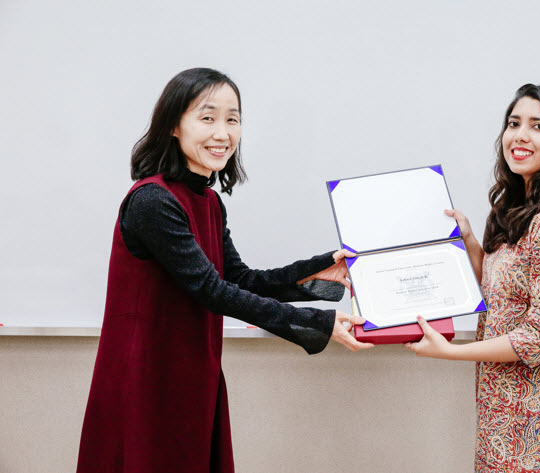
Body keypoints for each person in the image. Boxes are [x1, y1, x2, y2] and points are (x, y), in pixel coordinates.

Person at [76, 67, 373, 473]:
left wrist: (320, 269)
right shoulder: (153, 200)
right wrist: (316, 322)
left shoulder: (210, 203)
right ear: (173, 126)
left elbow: (241, 280)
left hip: (192, 374)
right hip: (147, 379)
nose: (223, 132)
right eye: (207, 117)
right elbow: (212, 291)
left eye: (232, 119)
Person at [404, 84, 540, 473]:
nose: (520, 135)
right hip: (503, 413)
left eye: (538, 126)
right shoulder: (516, 209)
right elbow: (502, 297)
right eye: (514, 123)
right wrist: (467, 241)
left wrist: (450, 352)